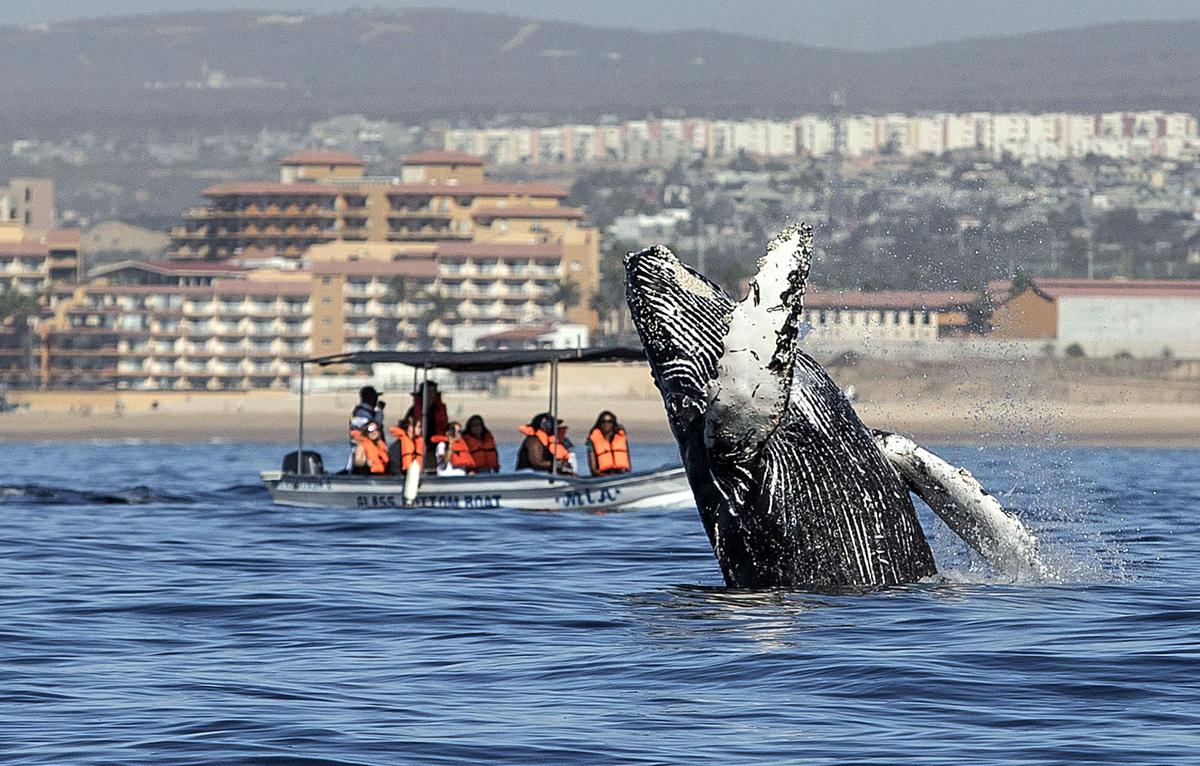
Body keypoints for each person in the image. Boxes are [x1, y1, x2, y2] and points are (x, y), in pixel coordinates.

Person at [588, 410, 631, 476]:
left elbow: (629, 462)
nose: (606, 424)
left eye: (609, 421)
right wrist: (607, 477)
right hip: (604, 475)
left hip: (622, 473)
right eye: (603, 422)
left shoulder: (621, 438)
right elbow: (593, 470)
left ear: (613, 423)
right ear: (599, 423)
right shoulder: (592, 441)